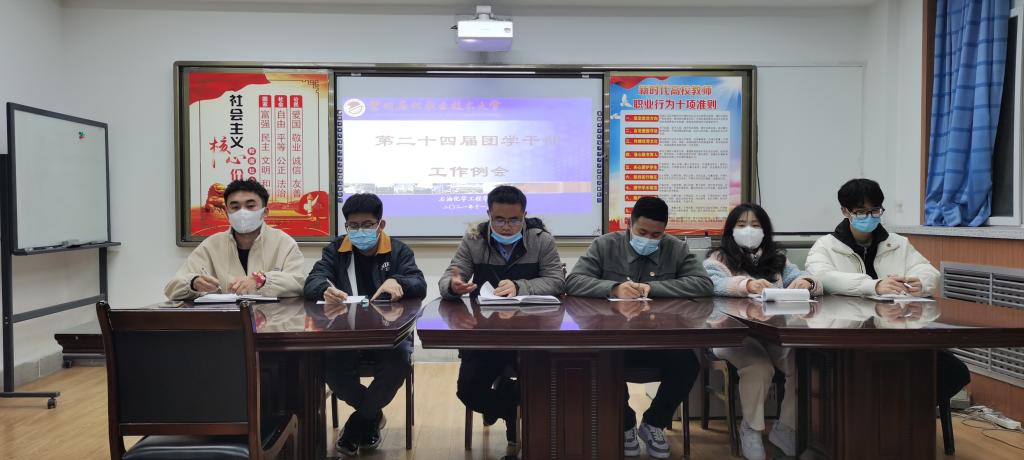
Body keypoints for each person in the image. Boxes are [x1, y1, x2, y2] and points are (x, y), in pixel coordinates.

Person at [566, 196, 712, 459]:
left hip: (660, 339)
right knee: (602, 360)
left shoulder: (676, 248)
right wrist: (613, 288)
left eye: (656, 235)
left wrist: (653, 288)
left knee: (688, 363)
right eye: (642, 232)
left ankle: (654, 424)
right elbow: (574, 281)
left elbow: (703, 284)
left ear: (664, 231)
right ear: (629, 224)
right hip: (615, 338)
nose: (648, 239)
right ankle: (624, 426)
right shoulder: (605, 245)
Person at [806, 178, 970, 412]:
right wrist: (874, 286)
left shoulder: (898, 243)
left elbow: (928, 272)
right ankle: (886, 417)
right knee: (868, 374)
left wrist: (920, 282)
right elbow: (824, 277)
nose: (869, 217)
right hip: (848, 338)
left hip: (898, 336)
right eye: (861, 212)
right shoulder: (826, 246)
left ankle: (904, 416)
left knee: (954, 372)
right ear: (845, 211)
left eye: (875, 211)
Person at [437, 185, 565, 451]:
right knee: (468, 390)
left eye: (514, 220)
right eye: (499, 220)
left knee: (547, 387)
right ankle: (510, 409)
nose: (506, 227)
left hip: (533, 334)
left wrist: (521, 286)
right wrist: (453, 286)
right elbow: (449, 276)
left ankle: (522, 427)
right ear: (489, 215)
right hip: (486, 335)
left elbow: (556, 281)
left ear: (524, 216)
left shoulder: (541, 240)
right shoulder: (474, 239)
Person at [303, 193, 426, 456]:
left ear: (381, 225)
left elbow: (419, 284)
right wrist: (324, 288)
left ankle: (357, 423)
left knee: (399, 363)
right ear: (346, 226)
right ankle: (372, 416)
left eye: (367, 225)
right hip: (345, 334)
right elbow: (312, 281)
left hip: (390, 336)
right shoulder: (336, 250)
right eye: (354, 226)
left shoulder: (398, 250)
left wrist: (399, 282)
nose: (360, 231)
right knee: (331, 369)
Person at [703, 203, 821, 459]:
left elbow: (803, 278)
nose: (749, 230)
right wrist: (747, 285)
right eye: (742, 225)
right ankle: (751, 429)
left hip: (773, 333)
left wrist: (807, 282)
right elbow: (713, 284)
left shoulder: (777, 259)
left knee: (801, 364)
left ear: (765, 230)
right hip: (732, 335)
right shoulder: (718, 259)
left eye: (755, 225)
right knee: (759, 367)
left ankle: (786, 427)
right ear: (731, 230)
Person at [164, 179, 305, 300]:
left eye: (250, 206)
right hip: (225, 320)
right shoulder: (211, 245)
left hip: (273, 319)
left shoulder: (283, 243)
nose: (242, 212)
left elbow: (300, 283)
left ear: (265, 212)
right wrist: (193, 283)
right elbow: (171, 288)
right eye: (235, 207)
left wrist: (261, 280)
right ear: (227, 213)